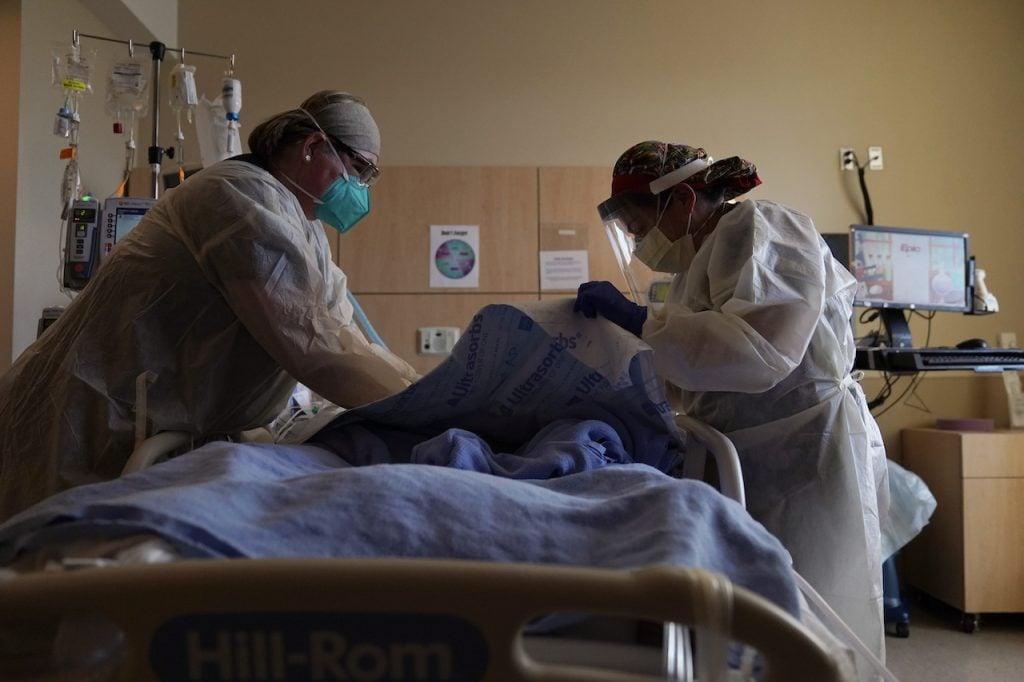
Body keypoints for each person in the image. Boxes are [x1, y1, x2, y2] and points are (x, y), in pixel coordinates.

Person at [0, 90, 418, 521]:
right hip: (85, 421)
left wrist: (421, 387)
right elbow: (319, 351)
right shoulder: (239, 198)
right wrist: (425, 411)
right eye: (360, 170)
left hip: (144, 430)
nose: (362, 190)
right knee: (42, 556)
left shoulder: (302, 226)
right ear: (313, 147)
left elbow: (345, 336)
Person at [574, 141, 889, 660]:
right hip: (754, 450)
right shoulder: (694, 268)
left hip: (805, 447)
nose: (637, 242)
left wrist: (638, 322)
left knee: (813, 614)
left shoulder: (762, 229)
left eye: (638, 224)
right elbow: (693, 371)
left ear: (681, 199)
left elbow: (757, 351)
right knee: (756, 615)